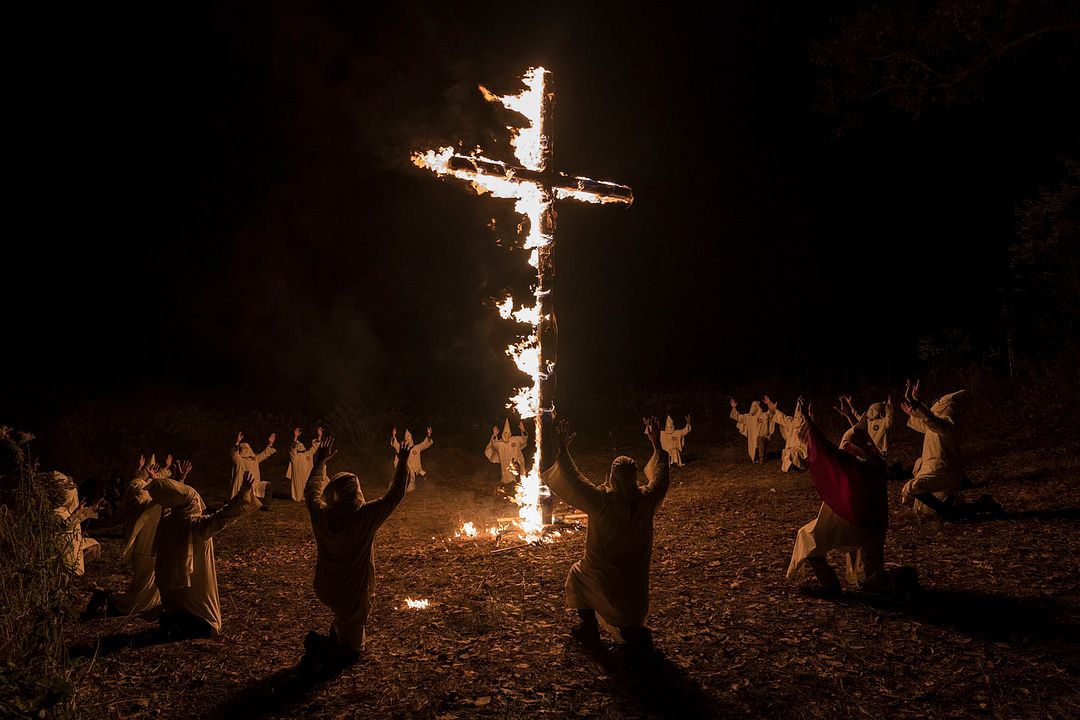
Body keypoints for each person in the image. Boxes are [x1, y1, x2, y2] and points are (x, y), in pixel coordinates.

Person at [541, 415, 670, 652]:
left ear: (613, 478)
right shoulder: (647, 499)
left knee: (577, 574)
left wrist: (563, 450)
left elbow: (574, 479)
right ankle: (631, 633)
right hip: (636, 595)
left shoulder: (602, 503)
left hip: (604, 581)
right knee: (631, 625)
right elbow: (661, 477)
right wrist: (657, 445)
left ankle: (589, 627)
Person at [786, 401, 919, 598]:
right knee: (868, 579)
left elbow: (828, 451)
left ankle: (830, 585)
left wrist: (811, 427)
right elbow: (855, 438)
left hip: (856, 524)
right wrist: (849, 416)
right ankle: (900, 578)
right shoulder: (876, 463)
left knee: (807, 538)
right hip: (875, 528)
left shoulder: (854, 466)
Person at [303, 436, 411, 668]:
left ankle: (335, 636)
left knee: (344, 620)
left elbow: (311, 491)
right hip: (352, 593)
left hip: (327, 586)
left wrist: (320, 462)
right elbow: (395, 494)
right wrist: (402, 463)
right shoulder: (363, 517)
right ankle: (324, 648)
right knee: (352, 651)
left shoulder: (322, 515)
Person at [148, 467, 261, 639]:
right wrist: (243, 494)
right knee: (211, 627)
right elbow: (223, 517)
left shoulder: (166, 522)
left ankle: (174, 618)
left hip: (173, 597)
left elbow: (170, 504)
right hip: (193, 594)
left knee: (183, 608)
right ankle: (180, 622)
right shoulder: (195, 525)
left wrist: (179, 481)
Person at [899, 380, 1005, 519]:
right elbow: (925, 422)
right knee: (930, 513)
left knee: (912, 488)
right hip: (936, 472)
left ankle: (950, 510)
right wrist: (914, 408)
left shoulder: (948, 425)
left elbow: (929, 420)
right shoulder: (938, 425)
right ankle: (982, 505)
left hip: (944, 473)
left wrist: (917, 403)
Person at [44, 471, 104, 576]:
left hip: (74, 542)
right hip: (64, 545)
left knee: (93, 545)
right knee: (67, 567)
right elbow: (66, 525)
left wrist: (93, 509)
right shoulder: (55, 512)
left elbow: (78, 515)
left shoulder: (66, 510)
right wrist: (77, 512)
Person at [230, 431, 276, 509]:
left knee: (268, 485)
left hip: (255, 486)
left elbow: (265, 454)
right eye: (244, 448)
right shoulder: (239, 460)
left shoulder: (255, 459)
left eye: (248, 448)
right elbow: (234, 453)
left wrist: (270, 443)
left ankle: (265, 506)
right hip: (243, 487)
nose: (246, 450)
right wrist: (237, 442)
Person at [763, 396, 806, 473]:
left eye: (799, 417)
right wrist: (772, 406)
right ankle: (791, 467)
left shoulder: (805, 426)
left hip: (801, 450)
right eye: (796, 417)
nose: (797, 419)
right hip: (791, 447)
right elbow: (782, 417)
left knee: (793, 452)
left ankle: (799, 467)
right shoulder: (791, 423)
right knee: (787, 451)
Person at [484, 419, 529, 486]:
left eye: (508, 433)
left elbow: (524, 440)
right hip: (505, 464)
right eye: (505, 433)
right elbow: (493, 444)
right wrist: (494, 435)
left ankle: (520, 485)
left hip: (517, 462)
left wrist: (523, 430)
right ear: (502, 433)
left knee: (519, 478)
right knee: (507, 478)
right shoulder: (499, 443)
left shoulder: (515, 439)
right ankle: (507, 488)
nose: (507, 435)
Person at [729, 398, 774, 463]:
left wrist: (769, 403)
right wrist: (734, 407)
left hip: (763, 438)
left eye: (754, 406)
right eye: (751, 406)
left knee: (760, 439)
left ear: (757, 407)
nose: (752, 408)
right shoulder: (748, 417)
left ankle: (762, 458)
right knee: (754, 449)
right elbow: (737, 417)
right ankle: (756, 458)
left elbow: (771, 413)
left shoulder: (763, 415)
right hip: (753, 439)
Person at [390, 426, 433, 492]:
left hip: (416, 469)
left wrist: (429, 435)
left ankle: (419, 490)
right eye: (407, 440)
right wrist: (393, 436)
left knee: (417, 480)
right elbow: (395, 444)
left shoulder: (416, 448)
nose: (408, 441)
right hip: (406, 469)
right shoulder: (403, 448)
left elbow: (425, 443)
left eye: (409, 439)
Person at [288, 426, 323, 502]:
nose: (300, 445)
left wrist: (319, 436)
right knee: (298, 486)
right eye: (298, 444)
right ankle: (297, 497)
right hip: (298, 475)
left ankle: (305, 497)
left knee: (306, 485)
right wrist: (295, 437)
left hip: (306, 474)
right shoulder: (294, 456)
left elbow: (315, 447)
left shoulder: (307, 454)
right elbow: (292, 448)